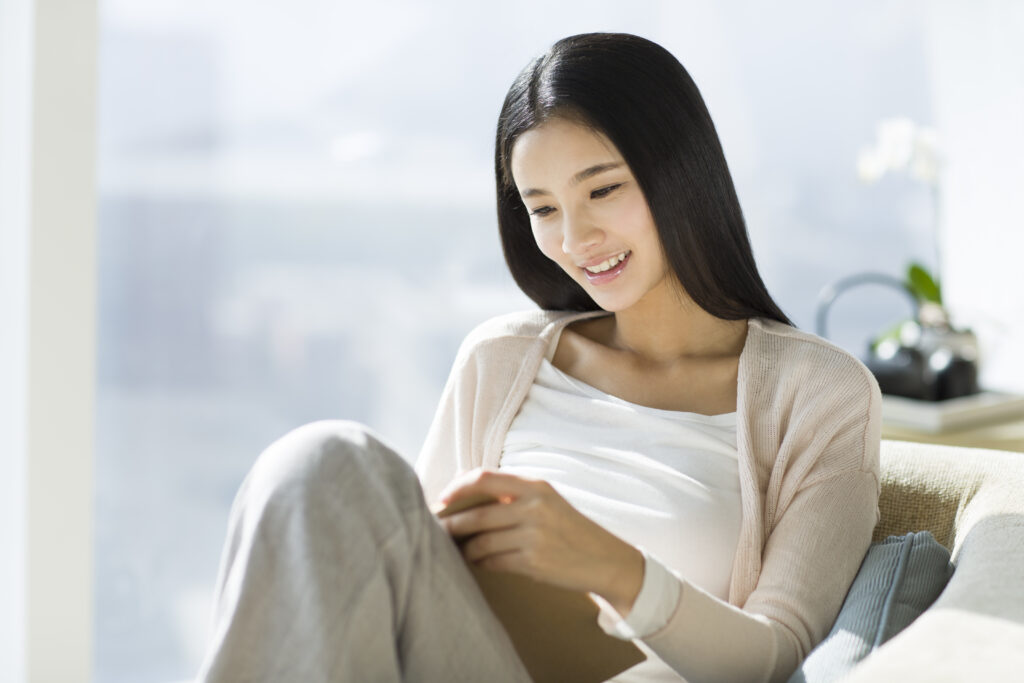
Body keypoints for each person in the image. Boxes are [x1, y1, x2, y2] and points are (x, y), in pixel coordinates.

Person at [197, 32, 881, 683]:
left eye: (603, 189)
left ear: (681, 170)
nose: (574, 237)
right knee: (318, 462)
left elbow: (776, 654)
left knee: (328, 460)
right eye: (542, 207)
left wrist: (608, 564)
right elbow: (409, 562)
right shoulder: (502, 357)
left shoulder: (821, 394)